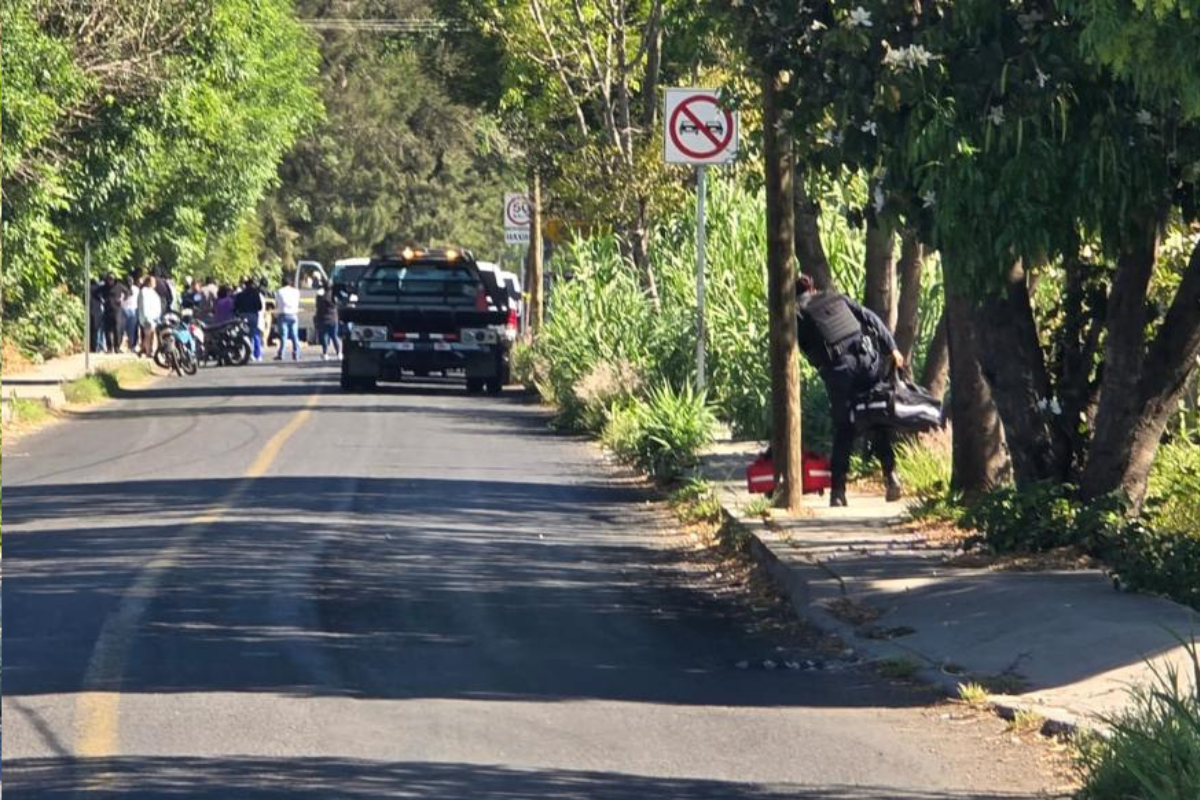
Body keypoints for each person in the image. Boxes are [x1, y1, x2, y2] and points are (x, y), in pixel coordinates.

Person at [795, 274, 905, 507]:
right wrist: (892, 348)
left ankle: (838, 491)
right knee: (875, 416)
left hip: (839, 371)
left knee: (844, 427)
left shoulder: (797, 312)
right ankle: (891, 474)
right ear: (813, 288)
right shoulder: (835, 297)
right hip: (868, 361)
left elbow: (799, 348)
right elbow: (870, 317)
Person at [234, 278, 265, 361]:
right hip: (253, 315)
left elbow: (236, 306)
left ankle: (246, 353)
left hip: (242, 315)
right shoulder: (256, 294)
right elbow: (260, 307)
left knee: (244, 334)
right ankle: (257, 354)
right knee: (254, 334)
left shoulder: (240, 295)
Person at [274, 275, 301, 360]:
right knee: (294, 335)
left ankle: (281, 353)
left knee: (283, 336)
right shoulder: (296, 291)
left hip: (283, 314)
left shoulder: (279, 291)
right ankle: (296, 353)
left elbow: (277, 303)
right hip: (293, 314)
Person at [137, 275, 163, 358]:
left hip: (154, 316)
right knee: (149, 334)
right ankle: (149, 351)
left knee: (150, 334)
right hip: (147, 316)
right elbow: (143, 304)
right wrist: (145, 316)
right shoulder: (144, 291)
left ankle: (142, 350)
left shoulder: (153, 292)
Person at [103, 274, 129, 353]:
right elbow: (96, 293)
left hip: (117, 310)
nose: (110, 281)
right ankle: (109, 348)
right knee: (107, 329)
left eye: (111, 279)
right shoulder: (104, 287)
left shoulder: (119, 286)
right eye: (109, 279)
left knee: (117, 329)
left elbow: (127, 292)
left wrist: (122, 299)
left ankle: (117, 347)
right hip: (107, 310)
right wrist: (102, 300)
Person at [315, 286, 340, 361]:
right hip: (333, 319)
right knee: (335, 336)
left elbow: (317, 307)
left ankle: (325, 353)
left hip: (323, 319)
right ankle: (339, 353)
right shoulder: (334, 297)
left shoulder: (320, 297)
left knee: (324, 337)